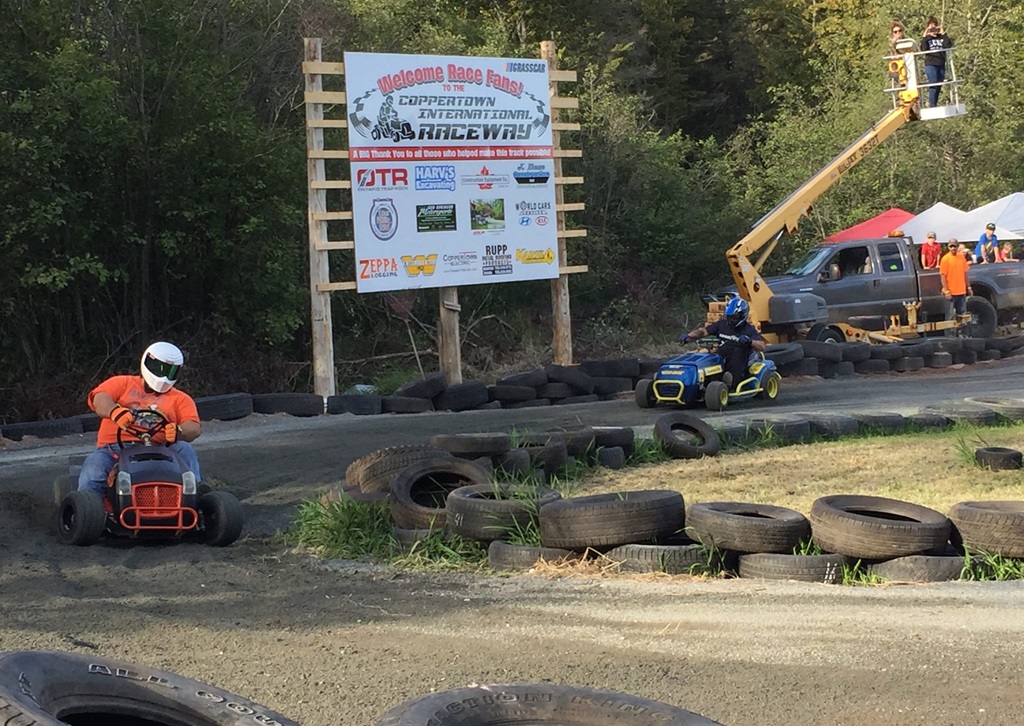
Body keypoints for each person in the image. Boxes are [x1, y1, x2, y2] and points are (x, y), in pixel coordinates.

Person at [78, 342, 203, 495]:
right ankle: (88, 504)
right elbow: (99, 399)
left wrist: (179, 431)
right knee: (94, 467)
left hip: (162, 449)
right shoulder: (123, 383)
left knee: (185, 447)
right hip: (115, 449)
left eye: (170, 372)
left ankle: (196, 493)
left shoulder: (180, 398)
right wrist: (115, 412)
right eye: (160, 369)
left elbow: (194, 427)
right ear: (148, 363)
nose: (164, 377)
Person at [679, 297, 766, 390]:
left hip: (741, 358)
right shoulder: (722, 324)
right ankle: (698, 381)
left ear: (742, 315)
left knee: (737, 352)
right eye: (729, 317)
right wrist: (689, 336)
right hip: (722, 353)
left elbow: (761, 346)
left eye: (733, 317)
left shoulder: (749, 329)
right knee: (708, 355)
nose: (731, 320)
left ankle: (731, 383)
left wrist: (749, 341)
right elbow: (703, 331)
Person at [920, 17, 954, 108]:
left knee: (939, 83)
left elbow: (948, 45)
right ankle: (932, 104)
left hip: (941, 63)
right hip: (931, 64)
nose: (934, 31)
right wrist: (925, 35)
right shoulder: (927, 39)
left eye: (935, 28)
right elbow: (923, 48)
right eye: (931, 28)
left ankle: (934, 103)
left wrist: (943, 33)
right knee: (933, 82)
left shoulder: (941, 38)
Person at [939, 239, 972, 327]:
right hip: (951, 293)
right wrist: (946, 291)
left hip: (961, 292)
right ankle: (950, 338)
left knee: (962, 317)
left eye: (954, 246)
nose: (953, 248)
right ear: (948, 247)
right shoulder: (945, 259)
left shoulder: (961, 257)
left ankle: (962, 336)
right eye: (951, 246)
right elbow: (943, 276)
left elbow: (965, 273)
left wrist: (969, 287)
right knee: (949, 318)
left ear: (957, 247)